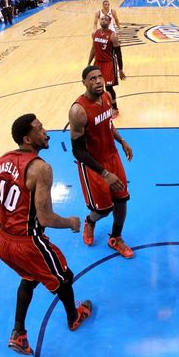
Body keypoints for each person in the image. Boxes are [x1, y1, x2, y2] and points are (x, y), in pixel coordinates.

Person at [0, 114, 92, 356]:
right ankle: (74, 318)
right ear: (27, 138)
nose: (45, 132)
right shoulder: (41, 168)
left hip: (4, 242)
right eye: (39, 128)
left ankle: (18, 333)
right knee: (64, 278)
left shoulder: (2, 160)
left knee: (30, 276)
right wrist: (71, 222)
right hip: (28, 243)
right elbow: (45, 218)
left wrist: (1, 230)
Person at [69, 66, 134, 258]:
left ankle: (116, 238)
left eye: (100, 77)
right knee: (104, 209)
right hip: (93, 166)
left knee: (122, 200)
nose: (98, 81)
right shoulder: (78, 111)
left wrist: (121, 141)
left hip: (112, 157)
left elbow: (108, 124)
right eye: (92, 78)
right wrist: (104, 173)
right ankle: (90, 221)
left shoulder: (106, 97)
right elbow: (78, 151)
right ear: (84, 83)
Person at [88, 15, 125, 117]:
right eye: (102, 19)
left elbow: (119, 53)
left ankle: (114, 108)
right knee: (96, 86)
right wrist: (88, 63)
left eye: (106, 19)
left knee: (109, 87)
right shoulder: (95, 33)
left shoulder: (112, 35)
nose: (103, 20)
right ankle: (101, 106)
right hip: (98, 62)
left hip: (109, 63)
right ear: (100, 21)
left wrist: (120, 69)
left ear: (109, 23)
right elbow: (93, 49)